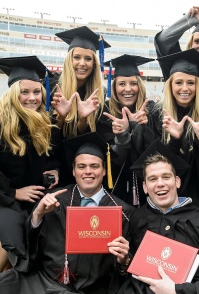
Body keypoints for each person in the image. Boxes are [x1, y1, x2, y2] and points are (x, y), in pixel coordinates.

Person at [0, 132, 135, 294]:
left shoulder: (122, 212)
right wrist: (37, 216)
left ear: (104, 171)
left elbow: (124, 273)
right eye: (81, 166)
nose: (88, 172)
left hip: (92, 289)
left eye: (94, 166)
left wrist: (124, 260)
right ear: (73, 171)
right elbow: (28, 249)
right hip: (44, 282)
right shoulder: (53, 200)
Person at [118, 147, 199, 293]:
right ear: (145, 187)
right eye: (153, 179)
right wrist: (124, 262)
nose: (160, 183)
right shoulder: (136, 220)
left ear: (177, 182)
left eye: (166, 177)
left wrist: (178, 290)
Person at [149, 49, 199, 211]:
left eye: (191, 82)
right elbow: (153, 163)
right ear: (170, 84)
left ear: (197, 85)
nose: (185, 88)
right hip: (165, 200)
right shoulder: (157, 115)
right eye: (178, 82)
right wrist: (175, 139)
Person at [0, 56, 60, 272]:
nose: (32, 98)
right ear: (13, 94)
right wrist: (14, 192)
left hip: (34, 200)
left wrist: (55, 168)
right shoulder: (1, 123)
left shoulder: (44, 122)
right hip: (5, 200)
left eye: (36, 92)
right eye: (24, 92)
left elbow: (53, 154)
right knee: (12, 236)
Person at [52, 26, 111, 184]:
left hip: (82, 165)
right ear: (69, 59)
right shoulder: (52, 86)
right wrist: (60, 118)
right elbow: (46, 137)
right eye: (77, 57)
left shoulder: (99, 94)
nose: (82, 63)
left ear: (94, 63)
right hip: (53, 163)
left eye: (88, 58)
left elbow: (89, 140)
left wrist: (83, 120)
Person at [102, 54, 157, 207]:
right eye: (122, 84)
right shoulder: (104, 113)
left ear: (139, 85)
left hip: (147, 186)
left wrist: (140, 127)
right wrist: (122, 134)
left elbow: (155, 152)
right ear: (114, 87)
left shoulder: (151, 110)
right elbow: (110, 159)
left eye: (133, 83)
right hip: (115, 187)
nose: (128, 89)